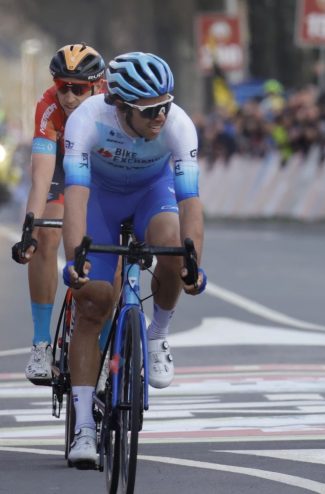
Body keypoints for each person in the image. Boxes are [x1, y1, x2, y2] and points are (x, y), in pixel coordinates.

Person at [61, 52, 207, 467]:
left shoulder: (178, 125)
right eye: (149, 111)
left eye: (165, 105)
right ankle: (84, 426)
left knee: (173, 246)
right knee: (93, 302)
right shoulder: (88, 120)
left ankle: (158, 333)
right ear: (121, 106)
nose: (161, 116)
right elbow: (76, 197)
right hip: (99, 200)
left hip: (151, 193)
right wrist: (76, 259)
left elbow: (190, 202)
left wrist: (193, 263)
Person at [12, 43, 106, 385]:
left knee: (113, 242)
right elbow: (41, 175)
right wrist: (29, 228)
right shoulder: (49, 107)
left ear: (97, 85)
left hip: (103, 168)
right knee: (47, 233)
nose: (68, 95)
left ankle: (108, 344)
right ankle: (40, 344)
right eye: (61, 85)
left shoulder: (112, 102)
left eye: (77, 88)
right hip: (63, 169)